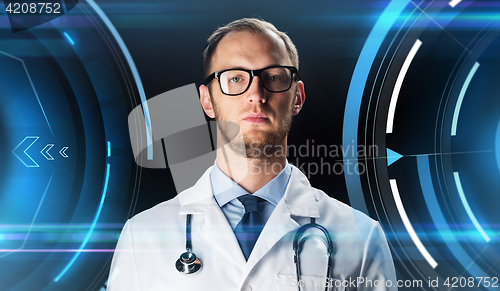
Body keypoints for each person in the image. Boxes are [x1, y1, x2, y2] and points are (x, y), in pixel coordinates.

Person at [108, 18, 397, 291]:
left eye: (273, 76)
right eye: (235, 78)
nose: (256, 94)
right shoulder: (141, 236)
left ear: (297, 97)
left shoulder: (360, 236)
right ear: (207, 101)